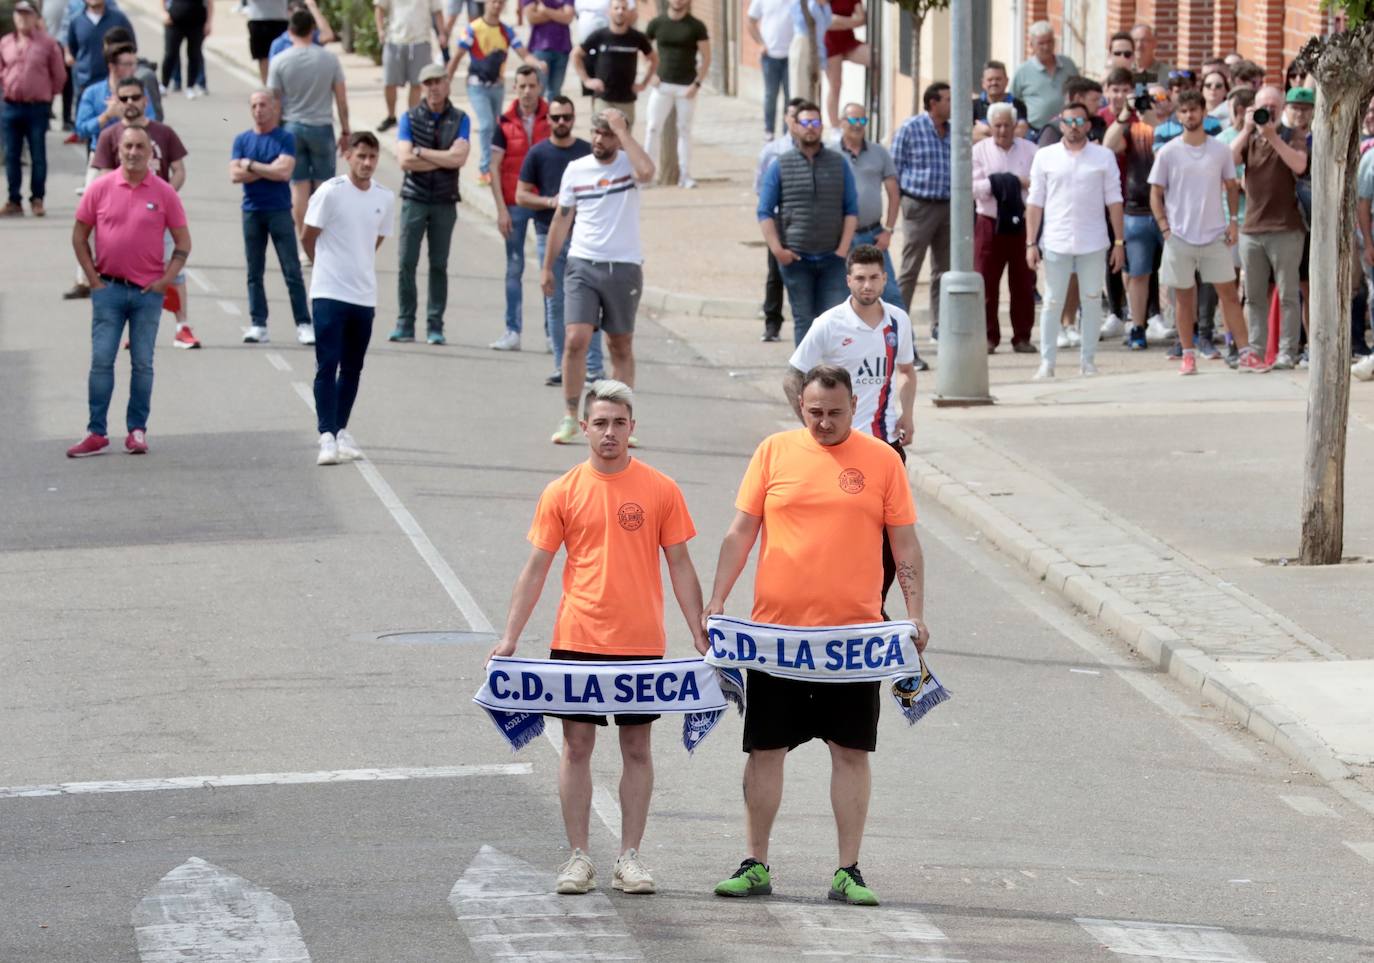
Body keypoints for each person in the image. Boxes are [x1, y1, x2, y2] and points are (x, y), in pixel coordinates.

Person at [705, 363, 929, 907]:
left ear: (855, 406)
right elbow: (741, 533)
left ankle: (848, 869)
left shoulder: (881, 460)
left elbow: (905, 544)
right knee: (764, 749)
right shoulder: (774, 452)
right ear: (800, 408)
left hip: (851, 642)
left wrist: (915, 613)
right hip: (776, 639)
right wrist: (717, 602)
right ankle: (755, 862)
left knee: (851, 751)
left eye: (834, 413)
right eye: (814, 413)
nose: (824, 423)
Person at [488, 378, 706, 897]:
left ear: (633, 429)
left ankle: (629, 857)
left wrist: (700, 631)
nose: (610, 433)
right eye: (601, 423)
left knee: (636, 747)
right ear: (584, 428)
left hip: (639, 641)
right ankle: (579, 856)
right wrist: (510, 637)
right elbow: (537, 568)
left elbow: (680, 564)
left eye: (620, 423)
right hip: (578, 636)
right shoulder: (562, 491)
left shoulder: (660, 489)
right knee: (577, 746)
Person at [785, 246, 917, 609]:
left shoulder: (897, 321)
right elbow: (792, 375)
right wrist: (815, 427)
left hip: (886, 446)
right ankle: (832, 604)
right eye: (860, 278)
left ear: (885, 279)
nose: (867, 285)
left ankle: (874, 606)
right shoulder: (829, 323)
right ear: (848, 280)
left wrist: (907, 413)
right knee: (839, 533)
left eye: (874, 277)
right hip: (842, 450)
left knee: (892, 537)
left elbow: (905, 372)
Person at [67, 125, 190, 458]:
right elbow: (79, 236)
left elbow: (183, 243)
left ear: (150, 153)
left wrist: (166, 281)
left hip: (147, 294)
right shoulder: (101, 188)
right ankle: (96, 432)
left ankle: (137, 430)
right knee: (102, 361)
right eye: (128, 147)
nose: (133, 152)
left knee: (142, 363)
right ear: (118, 151)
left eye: (140, 147)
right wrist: (93, 279)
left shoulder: (164, 193)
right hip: (108, 290)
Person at [543, 108, 654, 444]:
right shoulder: (576, 169)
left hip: (623, 266)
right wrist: (548, 266)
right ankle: (570, 416)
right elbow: (562, 219)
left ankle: (619, 421)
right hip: (583, 263)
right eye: (596, 132)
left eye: (607, 134)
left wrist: (624, 132)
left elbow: (649, 171)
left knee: (619, 344)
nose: (598, 139)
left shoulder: (629, 166)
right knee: (575, 338)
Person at [1148, 89, 1269, 375]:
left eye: (1194, 110)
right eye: (1184, 111)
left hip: (1214, 234)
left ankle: (1246, 353)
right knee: (1184, 296)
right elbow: (1155, 193)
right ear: (1178, 115)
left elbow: (1230, 185)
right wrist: (1164, 226)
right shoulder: (1168, 152)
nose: (1189, 115)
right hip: (1179, 235)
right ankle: (1188, 354)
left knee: (1228, 293)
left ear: (1203, 112)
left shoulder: (1219, 150)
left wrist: (1232, 223)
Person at [302, 132, 395, 466]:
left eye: (372, 157)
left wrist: (357, 265)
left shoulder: (384, 197)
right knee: (327, 363)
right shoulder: (330, 192)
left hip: (363, 295)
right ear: (349, 156)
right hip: (328, 291)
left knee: (353, 367)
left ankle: (341, 429)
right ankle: (326, 434)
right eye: (361, 156)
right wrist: (326, 267)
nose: (367, 163)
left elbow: (376, 239)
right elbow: (308, 235)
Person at [91, 76, 199, 350]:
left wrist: (164, 196)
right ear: (116, 101)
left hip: (160, 216)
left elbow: (179, 171)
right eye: (123, 98)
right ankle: (134, 329)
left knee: (173, 269)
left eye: (135, 97)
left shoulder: (163, 132)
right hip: (125, 220)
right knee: (130, 274)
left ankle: (182, 327)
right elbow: (103, 176)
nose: (129, 103)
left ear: (145, 100)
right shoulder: (109, 136)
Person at [1025, 102, 1125, 379]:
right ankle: (1047, 362)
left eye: (1080, 121)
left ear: (1088, 125)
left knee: (1091, 300)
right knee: (1052, 302)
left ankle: (1088, 361)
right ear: (1060, 125)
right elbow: (1035, 202)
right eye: (1069, 121)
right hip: (1056, 239)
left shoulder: (1103, 157)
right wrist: (1030, 242)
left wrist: (1119, 242)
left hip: (1093, 240)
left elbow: (1114, 200)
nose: (1074, 126)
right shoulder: (1045, 156)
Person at [516, 94, 606, 384]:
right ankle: (561, 365)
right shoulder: (538, 153)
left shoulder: (585, 152)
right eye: (556, 118)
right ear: (548, 120)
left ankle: (593, 367)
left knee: (589, 306)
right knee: (555, 304)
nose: (562, 122)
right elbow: (520, 195)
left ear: (573, 118)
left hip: (585, 237)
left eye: (567, 117)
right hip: (548, 234)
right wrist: (548, 202)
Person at [757, 100, 857, 347]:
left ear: (822, 126)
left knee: (832, 320)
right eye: (805, 123)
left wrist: (843, 249)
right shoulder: (780, 164)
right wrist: (778, 250)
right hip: (797, 260)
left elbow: (851, 210)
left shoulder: (839, 163)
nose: (810, 128)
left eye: (815, 122)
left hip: (832, 259)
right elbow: (764, 211)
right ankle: (804, 381)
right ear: (795, 127)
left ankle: (833, 381)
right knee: (803, 320)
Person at [389, 63, 468, 345]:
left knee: (439, 264)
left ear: (447, 84)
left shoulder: (460, 118)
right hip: (414, 197)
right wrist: (442, 156)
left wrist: (422, 151)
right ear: (422, 87)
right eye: (428, 83)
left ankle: (435, 325)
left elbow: (459, 159)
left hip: (445, 200)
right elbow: (404, 160)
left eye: (438, 81)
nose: (433, 87)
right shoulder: (410, 117)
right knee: (406, 262)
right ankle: (405, 322)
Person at [1232, 84, 1309, 369]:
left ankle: (1287, 352)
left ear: (1283, 108)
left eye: (1274, 107)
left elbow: (1299, 165)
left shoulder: (1293, 135)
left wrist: (1273, 136)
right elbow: (1227, 162)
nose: (1269, 112)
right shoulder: (1249, 137)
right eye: (1264, 107)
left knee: (1288, 294)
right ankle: (1255, 350)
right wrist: (1245, 129)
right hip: (1251, 229)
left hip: (1286, 228)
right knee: (1253, 296)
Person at [230, 88, 314, 345]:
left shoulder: (284, 138)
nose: (259, 110)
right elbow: (235, 175)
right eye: (254, 105)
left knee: (291, 269)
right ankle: (258, 324)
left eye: (263, 105)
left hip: (278, 210)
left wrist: (251, 165)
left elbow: (284, 172)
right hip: (251, 211)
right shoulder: (241, 140)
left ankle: (304, 323)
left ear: (274, 108)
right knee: (254, 271)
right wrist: (267, 168)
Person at [268, 8, 350, 240]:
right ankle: (321, 239)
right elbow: (341, 100)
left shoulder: (280, 60)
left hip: (292, 126)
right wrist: (345, 130)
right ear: (312, 30)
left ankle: (304, 241)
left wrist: (274, 134)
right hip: (322, 126)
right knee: (324, 188)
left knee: (299, 188)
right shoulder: (329, 59)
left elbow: (275, 102)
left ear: (290, 30)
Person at [446, 0, 546, 187]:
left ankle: (495, 166)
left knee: (495, 127)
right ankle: (485, 170)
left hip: (497, 87)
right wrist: (446, 82)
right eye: (494, 1)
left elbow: (523, 53)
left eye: (501, 2)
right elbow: (457, 56)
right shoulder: (472, 29)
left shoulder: (506, 31)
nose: (497, 5)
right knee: (485, 126)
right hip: (477, 86)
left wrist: (537, 63)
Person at [1104, 80, 1171, 352]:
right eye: (1147, 99)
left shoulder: (1174, 128)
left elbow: (1171, 152)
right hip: (1137, 210)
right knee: (1138, 272)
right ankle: (1138, 326)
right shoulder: (1132, 129)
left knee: (1178, 273)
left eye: (1159, 97)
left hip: (1170, 211)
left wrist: (1155, 121)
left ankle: (1183, 326)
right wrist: (1125, 114)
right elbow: (1108, 145)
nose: (1151, 104)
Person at [488, 64, 549, 351]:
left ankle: (553, 333)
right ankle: (512, 330)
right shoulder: (504, 122)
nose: (527, 92)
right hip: (514, 204)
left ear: (540, 87)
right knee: (514, 267)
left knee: (549, 269)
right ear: (514, 88)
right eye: (522, 86)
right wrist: (501, 209)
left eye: (532, 86)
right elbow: (495, 167)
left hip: (545, 205)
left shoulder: (553, 118)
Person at [971, 101, 1036, 353]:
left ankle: (1022, 337)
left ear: (1015, 125)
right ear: (990, 126)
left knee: (1023, 283)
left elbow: (1039, 185)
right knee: (985, 282)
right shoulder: (979, 151)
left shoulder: (1031, 150)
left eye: (1007, 125)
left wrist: (1001, 183)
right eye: (997, 125)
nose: (1002, 130)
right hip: (989, 223)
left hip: (1022, 223)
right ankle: (988, 337)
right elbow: (974, 188)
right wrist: (1008, 182)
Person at [891, 82, 949, 339]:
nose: (952, 104)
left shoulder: (953, 129)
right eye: (947, 99)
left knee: (943, 271)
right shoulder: (910, 128)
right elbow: (894, 169)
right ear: (933, 103)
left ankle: (939, 325)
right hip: (919, 205)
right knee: (910, 268)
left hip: (947, 206)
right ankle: (898, 327)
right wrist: (902, 203)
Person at [836, 102, 904, 314]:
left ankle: (904, 344)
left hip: (873, 236)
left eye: (862, 120)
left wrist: (888, 231)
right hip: (840, 238)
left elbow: (894, 193)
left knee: (890, 293)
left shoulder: (879, 153)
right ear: (841, 122)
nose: (858, 125)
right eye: (853, 120)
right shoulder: (830, 154)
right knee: (841, 295)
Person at [1, 0, 66, 217]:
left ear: (36, 18)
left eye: (27, 14)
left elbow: (59, 75)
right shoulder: (5, 43)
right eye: (19, 14)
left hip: (36, 107)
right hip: (10, 105)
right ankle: (13, 199)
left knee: (38, 154)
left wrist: (47, 97)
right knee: (11, 155)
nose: (23, 18)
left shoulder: (47, 44)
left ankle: (37, 198)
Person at [644, 0, 709, 189]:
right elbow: (644, 50)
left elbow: (707, 57)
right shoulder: (657, 23)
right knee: (653, 128)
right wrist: (650, 74)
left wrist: (697, 84)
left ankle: (685, 175)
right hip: (662, 85)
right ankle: (648, 174)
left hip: (686, 88)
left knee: (685, 131)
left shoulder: (696, 26)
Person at [754, 96, 802, 342]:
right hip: (779, 219)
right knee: (775, 274)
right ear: (786, 119)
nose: (796, 122)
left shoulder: (818, 151)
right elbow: (760, 187)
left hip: (805, 221)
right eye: (792, 116)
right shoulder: (772, 151)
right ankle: (772, 323)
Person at [572, 0, 654, 129]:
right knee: (601, 138)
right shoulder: (599, 36)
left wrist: (644, 83)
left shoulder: (637, 38)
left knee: (624, 142)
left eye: (623, 8)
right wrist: (587, 80)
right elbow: (576, 55)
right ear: (609, 11)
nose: (620, 11)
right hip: (604, 98)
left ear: (629, 12)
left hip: (626, 100)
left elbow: (653, 59)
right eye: (616, 8)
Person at [374, 0, 443, 132]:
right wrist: (380, 30)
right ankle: (391, 116)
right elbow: (379, 8)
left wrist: (442, 33)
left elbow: (437, 10)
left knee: (417, 84)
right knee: (389, 82)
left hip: (421, 39)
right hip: (394, 39)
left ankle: (413, 118)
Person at [1012, 20, 1078, 133]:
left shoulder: (1068, 65)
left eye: (1049, 42)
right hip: (1036, 131)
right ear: (1031, 45)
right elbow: (1013, 101)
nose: (1046, 47)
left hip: (1068, 129)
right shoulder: (1022, 71)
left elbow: (1080, 91)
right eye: (1041, 43)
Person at [64, 0, 132, 102]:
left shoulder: (119, 19)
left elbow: (130, 46)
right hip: (85, 84)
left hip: (113, 85)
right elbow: (73, 49)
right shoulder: (76, 21)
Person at [746, 0, 791, 140]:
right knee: (771, 94)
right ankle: (769, 130)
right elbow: (750, 21)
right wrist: (760, 44)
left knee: (790, 96)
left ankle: (787, 132)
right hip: (769, 55)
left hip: (792, 56)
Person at [821, 0, 866, 131]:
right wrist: (852, 22)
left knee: (875, 58)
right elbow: (827, 21)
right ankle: (835, 126)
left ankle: (874, 106)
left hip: (848, 41)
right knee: (835, 85)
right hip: (830, 43)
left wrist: (840, 22)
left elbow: (862, 19)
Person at [522, 0, 574, 97]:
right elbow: (532, 18)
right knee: (537, 91)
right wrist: (558, 13)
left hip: (562, 48)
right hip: (540, 48)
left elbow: (568, 17)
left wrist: (545, 10)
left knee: (555, 93)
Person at [161, 0, 210, 99]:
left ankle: (190, 86)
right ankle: (164, 84)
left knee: (194, 55)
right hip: (174, 20)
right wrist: (164, 13)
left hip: (196, 22)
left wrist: (208, 22)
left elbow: (209, 2)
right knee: (170, 54)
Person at [971, 59, 1028, 143]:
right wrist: (1005, 136)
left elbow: (1020, 134)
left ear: (1006, 81)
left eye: (998, 79)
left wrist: (986, 130)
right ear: (983, 83)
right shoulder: (973, 106)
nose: (994, 83)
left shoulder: (1018, 105)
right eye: (990, 80)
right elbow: (970, 137)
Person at [268, 0, 335, 59]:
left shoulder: (312, 36)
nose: (300, 19)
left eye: (303, 16)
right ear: (289, 14)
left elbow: (328, 36)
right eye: (297, 16)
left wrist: (312, 7)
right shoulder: (279, 44)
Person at [247, 0, 290, 82]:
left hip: (280, 19)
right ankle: (267, 86)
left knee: (282, 56)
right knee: (263, 57)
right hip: (258, 19)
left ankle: (281, 87)